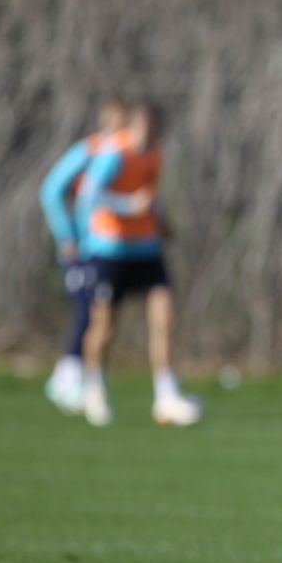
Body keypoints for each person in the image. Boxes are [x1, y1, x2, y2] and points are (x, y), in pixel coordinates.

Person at [76, 101, 202, 428]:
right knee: (105, 326)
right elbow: (89, 194)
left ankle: (166, 395)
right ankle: (94, 389)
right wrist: (126, 206)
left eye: (155, 127)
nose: (150, 132)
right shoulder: (114, 154)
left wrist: (160, 220)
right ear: (132, 125)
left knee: (165, 317)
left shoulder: (155, 155)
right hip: (110, 249)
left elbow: (149, 197)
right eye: (145, 126)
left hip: (146, 248)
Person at [38, 97, 129, 414]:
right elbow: (51, 191)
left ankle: (72, 377)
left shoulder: (125, 154)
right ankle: (66, 379)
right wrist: (67, 234)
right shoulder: (91, 150)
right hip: (82, 246)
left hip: (105, 245)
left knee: (96, 312)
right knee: (87, 310)